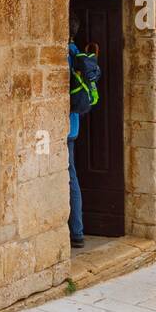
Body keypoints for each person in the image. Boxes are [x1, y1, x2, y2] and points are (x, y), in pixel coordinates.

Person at [68, 33, 84, 249]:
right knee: (71, 177)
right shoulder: (76, 51)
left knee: (70, 178)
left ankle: (77, 231)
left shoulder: (69, 53)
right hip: (74, 124)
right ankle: (77, 231)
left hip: (66, 127)